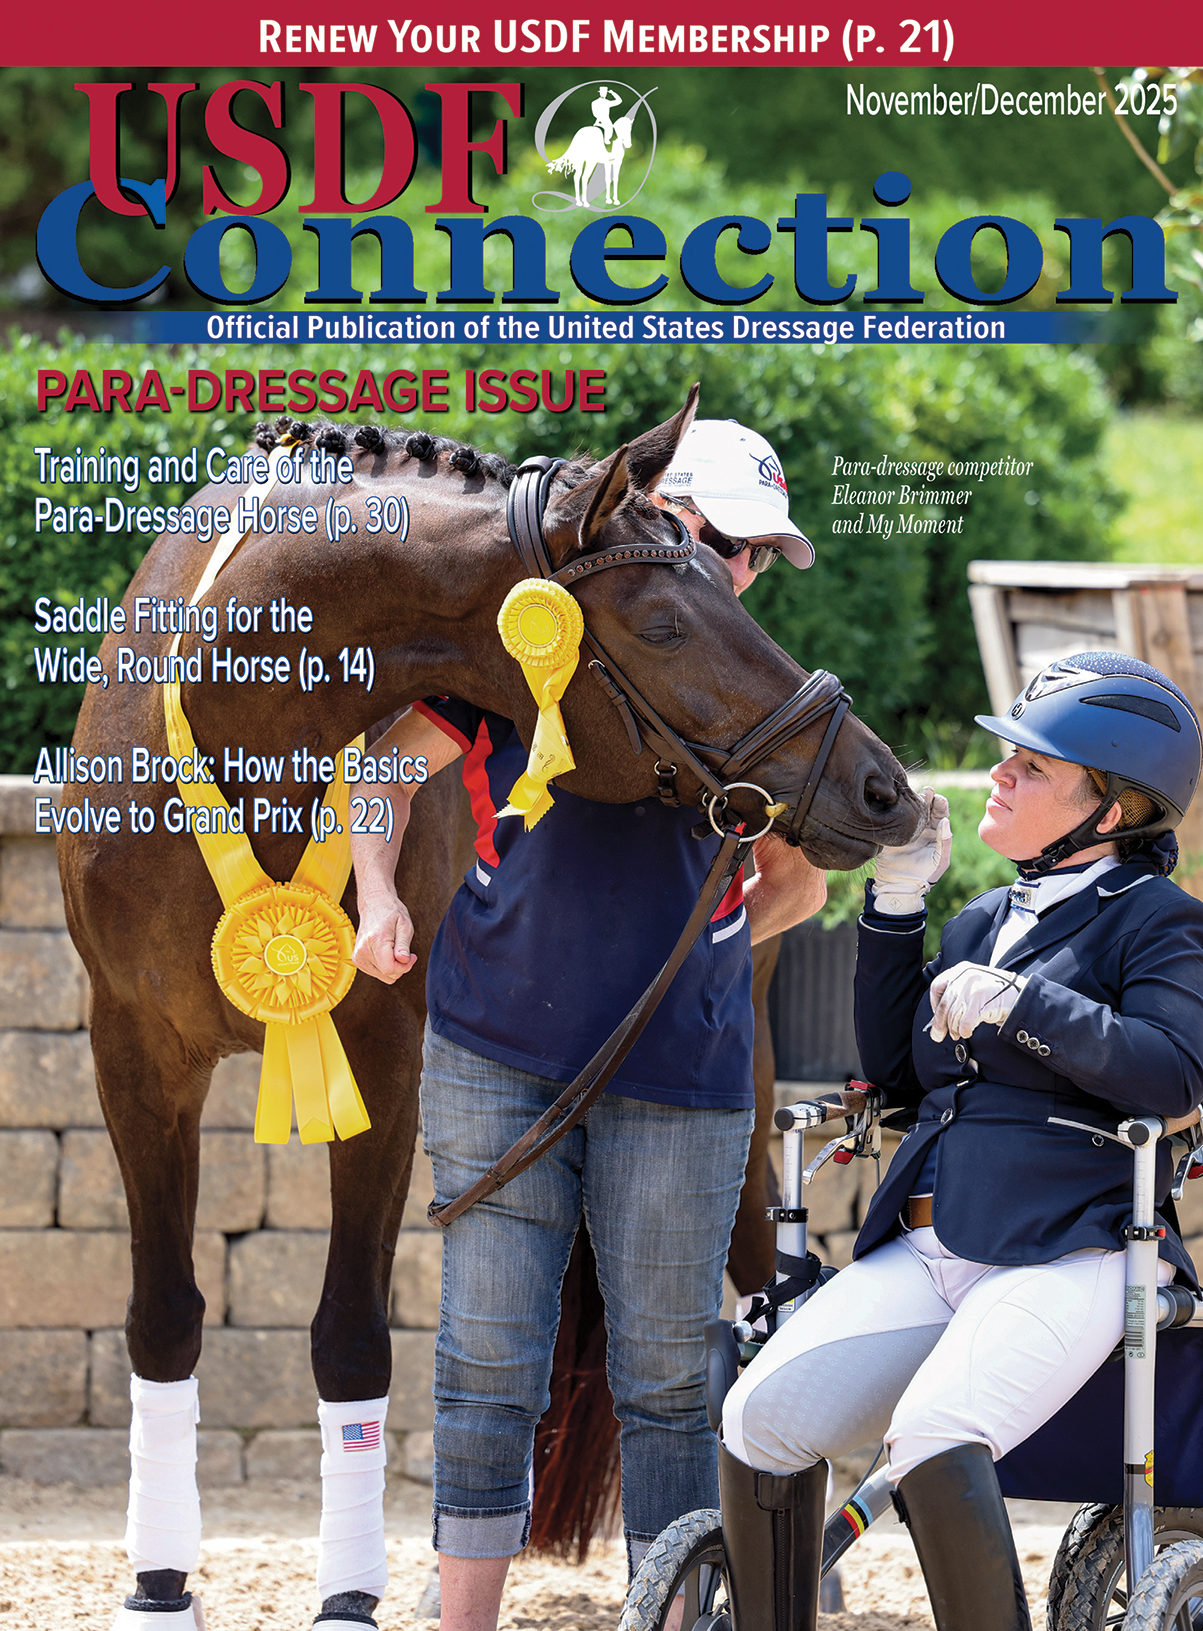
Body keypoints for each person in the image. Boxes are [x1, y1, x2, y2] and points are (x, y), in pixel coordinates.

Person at [351, 420, 821, 1631]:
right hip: (492, 1054)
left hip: (681, 1073)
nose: (744, 573)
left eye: (760, 556)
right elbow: (378, 773)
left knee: (668, 1369)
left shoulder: (760, 687)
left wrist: (706, 951)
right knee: (486, 1359)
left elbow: (801, 877)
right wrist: (378, 896)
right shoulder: (523, 646)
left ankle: (667, 1612)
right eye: (730, 542)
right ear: (663, 520)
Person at [720, 651, 1203, 1631]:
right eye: (1007, 757)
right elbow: (900, 1078)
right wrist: (898, 903)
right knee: (759, 1418)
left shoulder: (1160, 922)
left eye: (1031, 766)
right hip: (931, 1240)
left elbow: (1172, 1071)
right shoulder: (982, 919)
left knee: (936, 1431)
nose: (999, 773)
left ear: (1110, 810)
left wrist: (1024, 1004)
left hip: (1071, 1246)